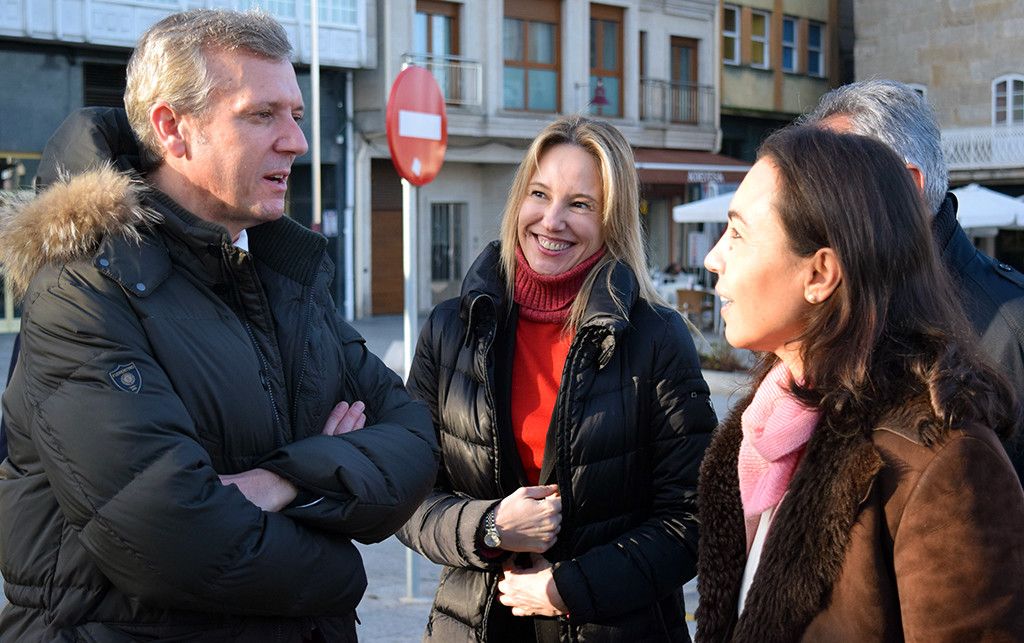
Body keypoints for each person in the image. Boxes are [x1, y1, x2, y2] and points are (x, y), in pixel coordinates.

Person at [0, 10, 437, 641]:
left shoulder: (280, 278)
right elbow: (172, 538)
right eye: (262, 115)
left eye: (297, 115)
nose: (296, 142)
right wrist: (342, 562)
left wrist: (281, 479)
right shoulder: (84, 290)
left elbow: (414, 437)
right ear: (172, 128)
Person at [696, 125, 1024, 641]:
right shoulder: (772, 422)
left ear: (820, 274)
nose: (713, 258)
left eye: (737, 234)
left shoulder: (944, 464)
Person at [397, 114, 718, 641]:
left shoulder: (657, 338)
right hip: (475, 626)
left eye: (580, 204)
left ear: (612, 221)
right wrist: (491, 526)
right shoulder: (452, 329)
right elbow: (407, 496)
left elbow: (692, 519)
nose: (551, 220)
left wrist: (567, 587)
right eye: (540, 194)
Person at [801, 79, 1024, 479]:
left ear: (905, 188)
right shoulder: (833, 308)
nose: (813, 209)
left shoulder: (1012, 325)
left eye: (833, 186)